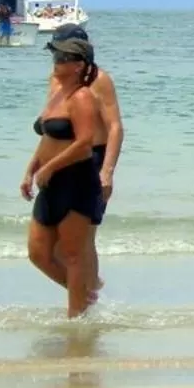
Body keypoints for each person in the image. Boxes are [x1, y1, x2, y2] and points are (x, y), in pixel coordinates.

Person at [22, 36, 106, 318]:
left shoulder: (82, 97)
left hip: (76, 181)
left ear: (78, 65)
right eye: (55, 57)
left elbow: (84, 143)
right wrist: (31, 168)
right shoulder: (57, 91)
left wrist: (50, 167)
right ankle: (84, 296)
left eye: (62, 59)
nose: (55, 63)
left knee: (72, 254)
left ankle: (77, 320)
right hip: (51, 181)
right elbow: (47, 136)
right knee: (38, 253)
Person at [48, 24, 124, 300]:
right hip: (64, 161)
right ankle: (87, 290)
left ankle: (86, 299)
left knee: (82, 238)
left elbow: (115, 127)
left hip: (93, 161)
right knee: (54, 243)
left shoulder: (99, 80)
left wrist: (107, 171)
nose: (57, 58)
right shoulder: (56, 79)